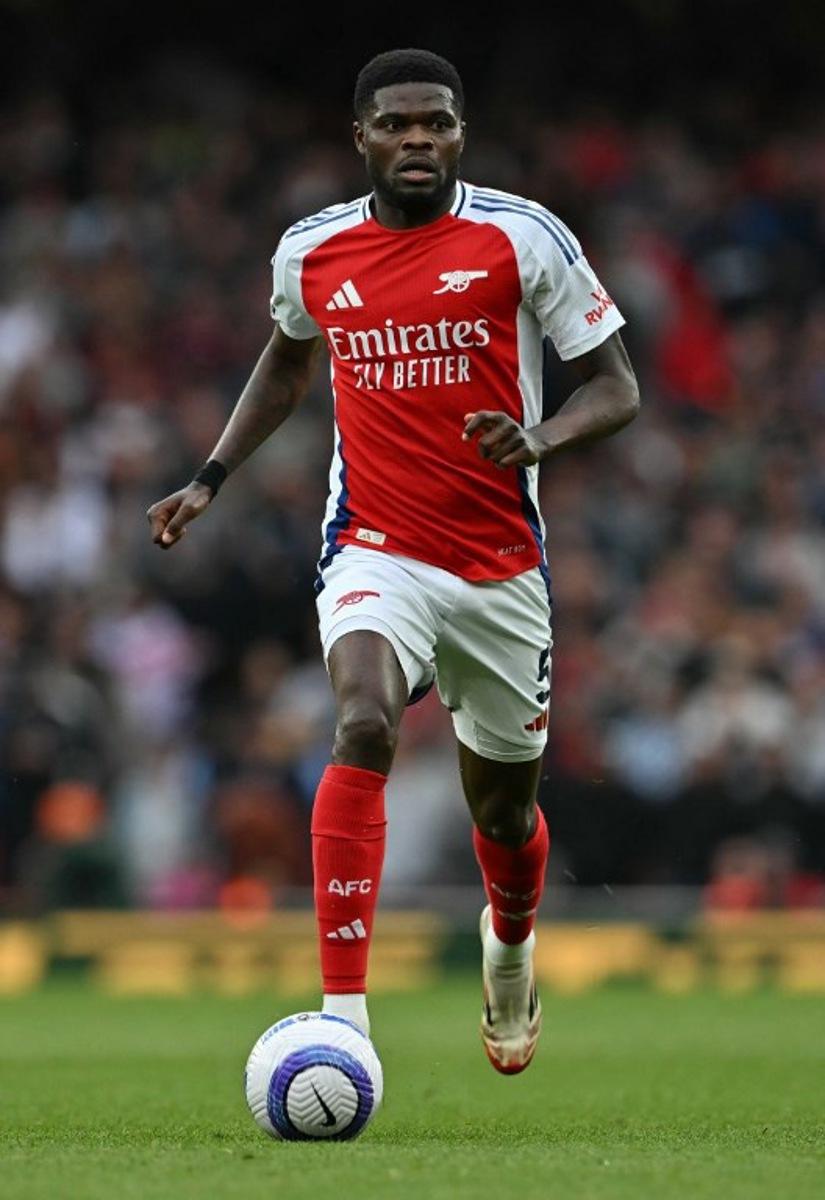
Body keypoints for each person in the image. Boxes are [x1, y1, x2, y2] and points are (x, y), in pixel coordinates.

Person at [147, 48, 639, 1073]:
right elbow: (286, 362)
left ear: (460, 135)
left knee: (503, 812)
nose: (419, 139)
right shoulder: (311, 252)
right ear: (361, 136)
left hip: (502, 571)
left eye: (438, 124)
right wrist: (211, 475)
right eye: (398, 124)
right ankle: (344, 1020)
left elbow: (615, 386)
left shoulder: (522, 236)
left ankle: (509, 944)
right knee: (363, 720)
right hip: (376, 549)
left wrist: (540, 440)